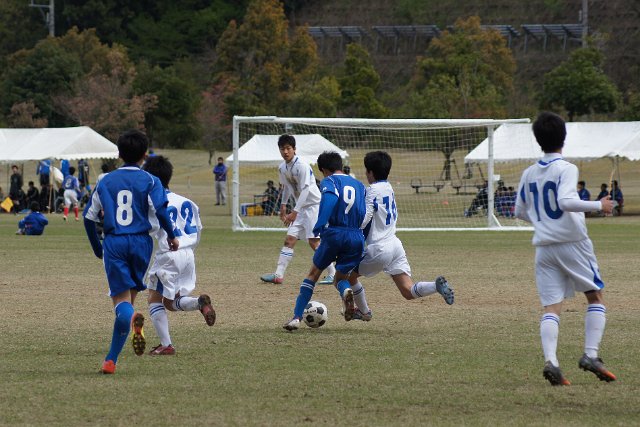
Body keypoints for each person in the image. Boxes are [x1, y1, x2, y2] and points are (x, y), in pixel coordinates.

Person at [514, 112, 616, 386]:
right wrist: (600, 205)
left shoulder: (528, 173)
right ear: (564, 137)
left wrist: (544, 222)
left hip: (544, 248)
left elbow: (519, 211)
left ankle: (552, 362)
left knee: (551, 306)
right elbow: (566, 201)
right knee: (595, 296)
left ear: (538, 140)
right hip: (572, 243)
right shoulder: (566, 168)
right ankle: (590, 355)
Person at [83, 129, 180, 375]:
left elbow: (88, 217)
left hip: (115, 242)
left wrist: (97, 248)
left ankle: (131, 319)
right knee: (127, 301)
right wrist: (171, 235)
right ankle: (110, 360)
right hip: (141, 243)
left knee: (122, 304)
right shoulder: (151, 180)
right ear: (144, 155)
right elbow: (161, 211)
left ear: (119, 153)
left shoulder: (106, 180)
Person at [346, 151, 454, 322]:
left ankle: (364, 312)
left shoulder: (372, 190)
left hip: (380, 248)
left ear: (370, 172)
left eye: (366, 170)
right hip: (395, 245)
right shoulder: (389, 187)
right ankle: (436, 286)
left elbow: (365, 219)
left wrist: (348, 227)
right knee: (407, 291)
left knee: (348, 276)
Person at [283, 151, 367, 331]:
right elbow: (364, 212)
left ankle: (296, 318)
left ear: (324, 170)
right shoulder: (360, 185)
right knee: (340, 278)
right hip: (356, 236)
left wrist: (320, 224)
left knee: (313, 274)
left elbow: (330, 199)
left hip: (335, 233)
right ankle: (345, 291)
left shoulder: (330, 181)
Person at [142, 155, 215, 356]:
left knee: (154, 298)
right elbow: (198, 230)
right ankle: (199, 303)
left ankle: (166, 344)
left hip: (169, 254)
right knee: (171, 302)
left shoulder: (154, 203)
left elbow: (148, 228)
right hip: (188, 254)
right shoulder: (188, 201)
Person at [260, 135, 336, 285]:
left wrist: (294, 212)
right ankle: (278, 275)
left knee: (314, 242)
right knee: (289, 239)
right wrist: (283, 206)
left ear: (294, 149)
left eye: (288, 148)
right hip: (300, 209)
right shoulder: (282, 168)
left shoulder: (302, 166)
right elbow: (286, 187)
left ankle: (333, 273)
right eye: (282, 149)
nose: (285, 152)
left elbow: (306, 190)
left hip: (313, 207)